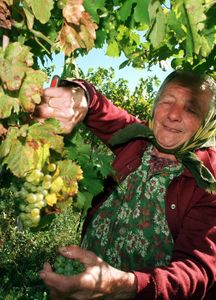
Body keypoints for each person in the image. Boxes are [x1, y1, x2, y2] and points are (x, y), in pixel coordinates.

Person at [37, 70, 216, 299]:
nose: (173, 114)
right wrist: (78, 94)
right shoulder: (136, 137)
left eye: (191, 109)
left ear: (208, 121)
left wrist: (122, 285)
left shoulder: (210, 180)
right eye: (167, 101)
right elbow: (97, 105)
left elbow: (195, 270)